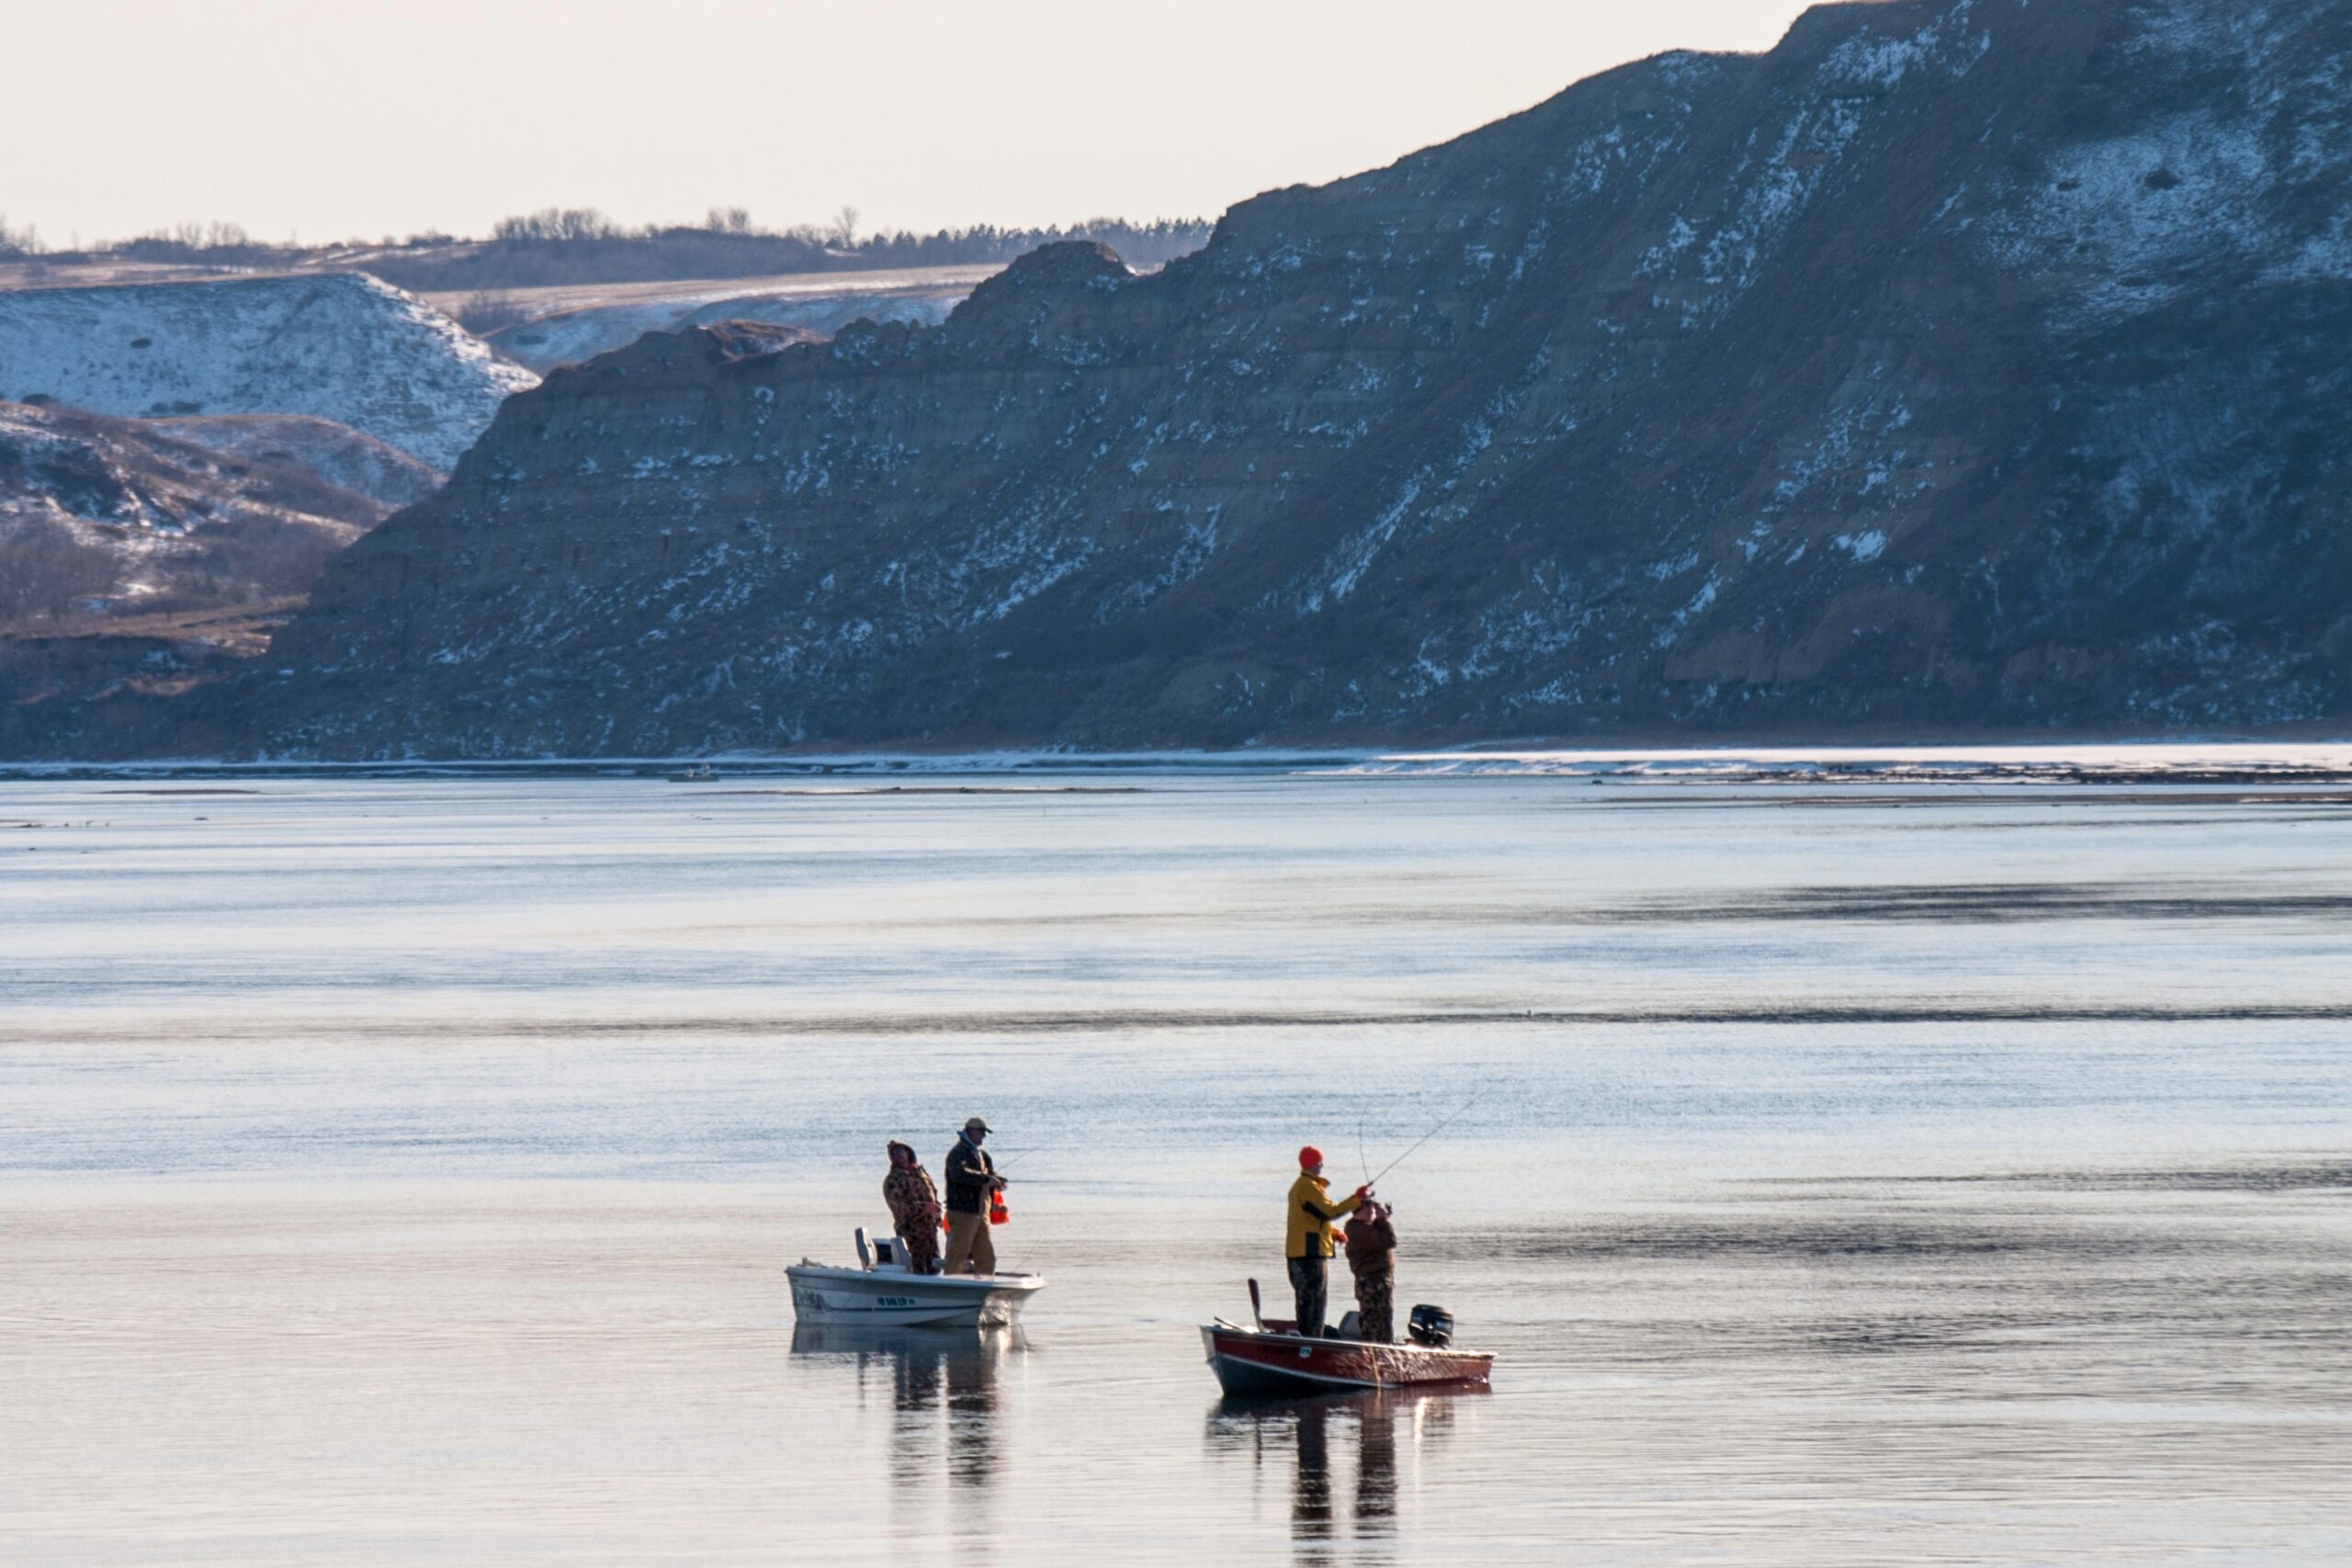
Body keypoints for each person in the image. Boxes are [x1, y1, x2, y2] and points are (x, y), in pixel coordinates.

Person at [1284, 1145, 1367, 1337]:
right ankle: (1310, 1342)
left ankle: (1312, 1339)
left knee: (1310, 1300)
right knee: (1313, 1302)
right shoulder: (1309, 1187)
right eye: (1319, 1161)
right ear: (1312, 1163)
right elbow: (1330, 1212)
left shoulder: (1303, 1186)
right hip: (1308, 1254)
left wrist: (1332, 1233)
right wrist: (1357, 1199)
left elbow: (1310, 1220)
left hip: (1303, 1252)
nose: (1322, 1165)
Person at [942, 1116, 1006, 1276]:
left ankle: (983, 1288)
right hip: (963, 1213)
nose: (984, 1136)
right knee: (957, 1254)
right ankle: (950, 1286)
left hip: (982, 1213)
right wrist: (986, 1179)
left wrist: (998, 1180)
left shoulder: (982, 1155)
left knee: (987, 1256)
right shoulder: (957, 1153)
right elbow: (959, 1174)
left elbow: (989, 1174)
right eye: (982, 1132)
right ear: (971, 1131)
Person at [882, 1140, 943, 1274]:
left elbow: (934, 1194)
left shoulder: (922, 1174)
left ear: (908, 1152)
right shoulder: (892, 1180)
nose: (898, 1155)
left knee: (935, 1267)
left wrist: (937, 1213)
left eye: (900, 1151)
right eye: (893, 1153)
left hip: (930, 1231)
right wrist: (924, 1208)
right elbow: (899, 1207)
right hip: (911, 1233)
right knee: (917, 1270)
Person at [1343, 1197, 1398, 1341]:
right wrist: (1383, 1220)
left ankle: (1378, 1353)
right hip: (1374, 1284)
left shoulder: (1360, 1227)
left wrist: (1381, 1220)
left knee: (1379, 1322)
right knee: (1377, 1324)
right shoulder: (1358, 1229)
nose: (1373, 1210)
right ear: (1364, 1208)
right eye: (1371, 1207)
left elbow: (1377, 1236)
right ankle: (1376, 1356)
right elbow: (1389, 1240)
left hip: (1374, 1283)